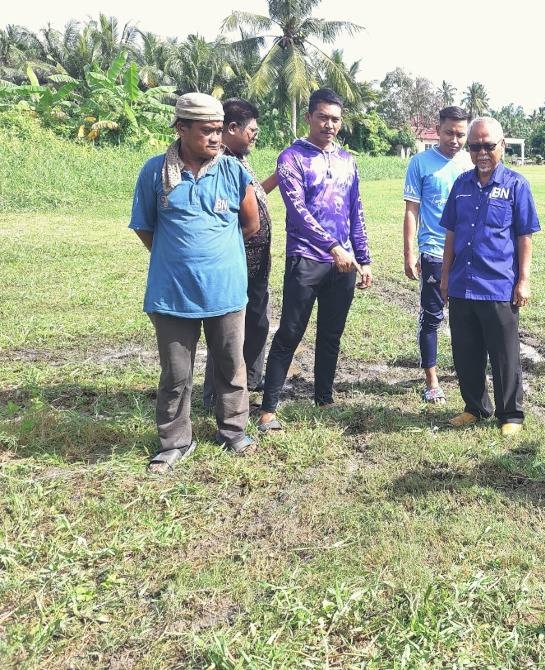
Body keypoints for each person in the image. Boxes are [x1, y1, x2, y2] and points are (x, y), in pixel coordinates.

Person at [129, 92, 260, 472]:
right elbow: (146, 228)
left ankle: (233, 432)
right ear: (181, 128)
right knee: (176, 373)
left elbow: (250, 225)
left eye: (219, 130)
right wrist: (180, 259)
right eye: (207, 131)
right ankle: (174, 442)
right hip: (172, 294)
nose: (216, 138)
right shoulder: (155, 172)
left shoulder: (234, 172)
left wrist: (216, 258)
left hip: (226, 291)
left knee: (231, 366)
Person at [257, 88, 373, 432]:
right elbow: (297, 209)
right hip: (306, 259)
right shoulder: (291, 158)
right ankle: (268, 409)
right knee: (290, 332)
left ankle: (323, 397)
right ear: (309, 117)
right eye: (322, 117)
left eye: (335, 119)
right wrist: (333, 246)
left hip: (344, 264)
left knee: (331, 334)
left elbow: (356, 210)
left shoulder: (347, 161)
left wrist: (363, 258)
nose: (329, 124)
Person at [440, 117, 540, 436]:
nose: (482, 152)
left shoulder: (516, 185)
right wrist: (445, 278)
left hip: (498, 285)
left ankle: (510, 414)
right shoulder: (461, 185)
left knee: (503, 355)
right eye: (475, 146)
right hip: (462, 284)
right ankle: (475, 407)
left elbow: (525, 236)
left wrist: (523, 280)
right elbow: (451, 234)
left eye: (488, 145)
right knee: (466, 351)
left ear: (502, 146)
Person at [202, 98, 278, 411]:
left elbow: (251, 194)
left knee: (258, 322)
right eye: (252, 130)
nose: (255, 136)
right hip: (235, 262)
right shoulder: (218, 163)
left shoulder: (240, 158)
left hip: (257, 263)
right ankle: (215, 395)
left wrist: (276, 177)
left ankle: (249, 380)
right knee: (227, 331)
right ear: (232, 129)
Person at [402, 106, 473, 403]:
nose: (454, 140)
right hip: (433, 252)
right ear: (438, 129)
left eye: (460, 134)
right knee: (432, 317)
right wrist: (408, 252)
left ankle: (468, 370)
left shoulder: (472, 162)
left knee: (468, 318)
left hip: (467, 254)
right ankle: (431, 379)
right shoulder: (420, 163)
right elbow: (412, 210)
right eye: (449, 133)